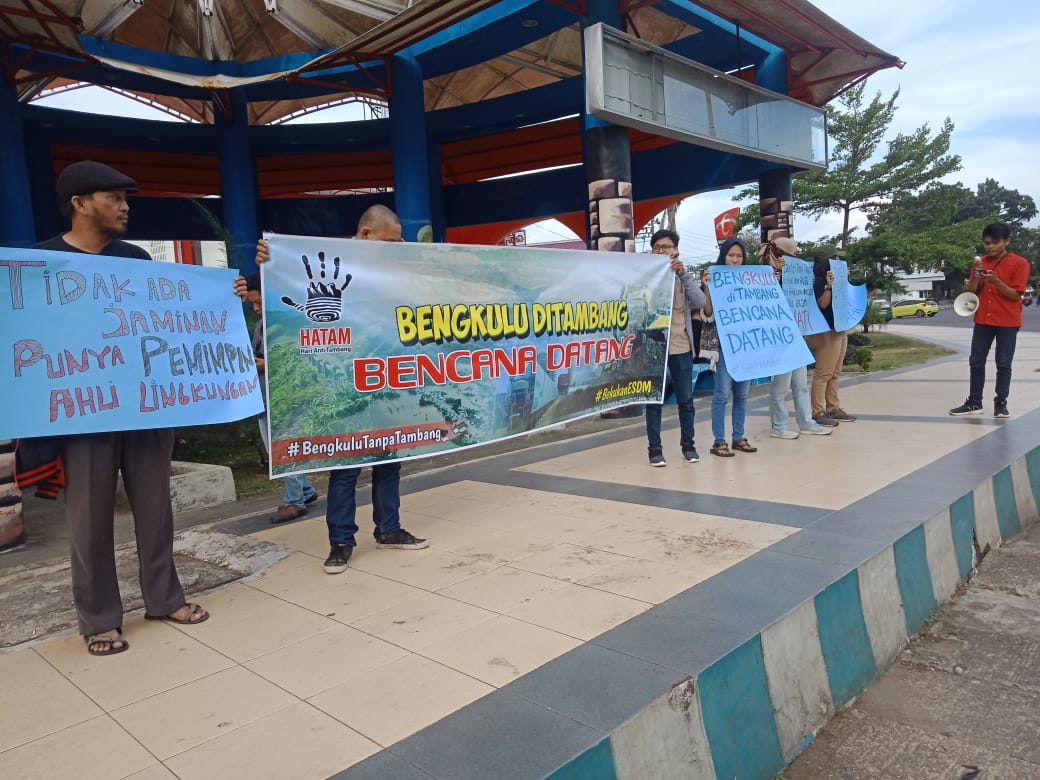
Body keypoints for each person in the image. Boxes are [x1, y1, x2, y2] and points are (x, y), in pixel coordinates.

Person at [33, 161, 208, 656]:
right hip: (83, 413)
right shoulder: (37, 264)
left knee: (156, 511)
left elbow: (170, 321)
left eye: (126, 198)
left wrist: (218, 300)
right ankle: (100, 619)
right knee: (88, 520)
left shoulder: (135, 260)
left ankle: (164, 598)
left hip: (145, 407)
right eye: (114, 197)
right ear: (80, 203)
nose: (125, 206)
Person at [244, 205, 429, 575]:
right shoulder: (320, 262)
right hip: (340, 385)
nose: (398, 247)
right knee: (344, 468)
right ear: (365, 235)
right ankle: (341, 542)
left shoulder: (390, 271)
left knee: (388, 460)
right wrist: (270, 264)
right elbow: (283, 287)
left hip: (384, 380)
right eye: (391, 241)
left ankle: (389, 528)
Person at [243, 273, 320, 522]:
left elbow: (301, 356)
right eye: (252, 304)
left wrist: (264, 364)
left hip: (283, 396)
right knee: (281, 449)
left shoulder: (287, 323)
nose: (256, 309)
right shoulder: (261, 325)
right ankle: (304, 491)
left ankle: (294, 500)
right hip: (265, 396)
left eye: (259, 303)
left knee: (284, 450)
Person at [949, 223, 1031, 418]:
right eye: (987, 243)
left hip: (1007, 321)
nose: (990, 247)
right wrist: (977, 275)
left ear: (1006, 241)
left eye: (996, 242)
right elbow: (972, 293)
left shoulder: (1020, 263)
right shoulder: (980, 262)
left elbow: (1014, 295)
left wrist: (996, 281)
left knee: (1003, 363)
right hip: (983, 319)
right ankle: (974, 402)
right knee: (976, 361)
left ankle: (1001, 403)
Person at [643, 229, 706, 467]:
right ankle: (654, 450)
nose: (661, 251)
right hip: (654, 348)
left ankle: (688, 446)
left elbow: (700, 302)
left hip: (681, 346)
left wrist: (684, 276)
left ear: (675, 251)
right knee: (653, 401)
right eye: (657, 247)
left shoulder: (682, 277)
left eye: (666, 247)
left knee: (685, 400)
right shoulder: (646, 277)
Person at [760, 238, 831, 439]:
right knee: (781, 386)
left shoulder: (795, 272)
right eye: (793, 252)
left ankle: (806, 421)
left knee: (800, 384)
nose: (796, 256)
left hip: (797, 336)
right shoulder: (765, 274)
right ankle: (779, 425)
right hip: (780, 338)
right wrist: (777, 277)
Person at [703, 238, 757, 457]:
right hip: (723, 347)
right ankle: (719, 441)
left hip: (746, 346)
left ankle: (738, 437)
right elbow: (707, 315)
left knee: (742, 395)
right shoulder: (713, 279)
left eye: (739, 256)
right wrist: (707, 288)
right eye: (731, 255)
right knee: (722, 394)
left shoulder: (750, 282)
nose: (735, 260)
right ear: (723, 256)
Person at [805, 253, 856, 427]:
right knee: (824, 373)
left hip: (840, 329)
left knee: (835, 372)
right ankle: (817, 411)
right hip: (826, 332)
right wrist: (828, 285)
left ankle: (833, 408)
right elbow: (823, 304)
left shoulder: (841, 284)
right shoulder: (819, 282)